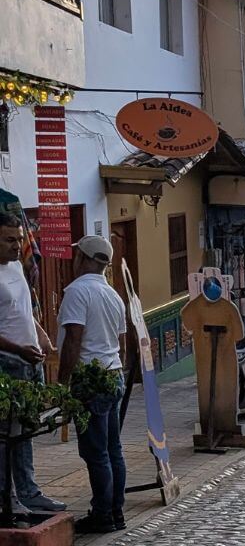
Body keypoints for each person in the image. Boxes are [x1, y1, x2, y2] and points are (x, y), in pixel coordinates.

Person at [56, 235, 128, 533]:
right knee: (113, 449)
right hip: (114, 374)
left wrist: (61, 383)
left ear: (82, 259)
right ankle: (116, 511)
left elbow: (74, 340)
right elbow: (122, 344)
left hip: (91, 379)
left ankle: (103, 515)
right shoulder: (113, 295)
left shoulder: (76, 292)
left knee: (96, 452)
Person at [0, 212, 65, 517]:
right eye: (9, 239)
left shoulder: (15, 266)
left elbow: (25, 312)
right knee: (5, 436)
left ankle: (29, 491)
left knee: (25, 432)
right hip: (7, 364)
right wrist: (19, 349)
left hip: (30, 361)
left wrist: (43, 338)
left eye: (19, 239)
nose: (17, 246)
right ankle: (6, 496)